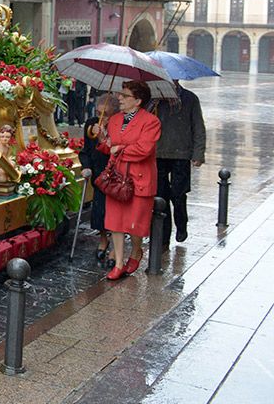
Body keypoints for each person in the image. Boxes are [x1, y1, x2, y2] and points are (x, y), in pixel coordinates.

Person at [99, 80, 162, 281]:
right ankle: (118, 263)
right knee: (115, 222)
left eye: (125, 96)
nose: (119, 98)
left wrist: (120, 149)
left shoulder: (151, 121)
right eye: (120, 94)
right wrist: (103, 140)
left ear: (138, 100)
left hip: (139, 179)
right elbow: (109, 147)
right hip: (117, 179)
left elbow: (144, 149)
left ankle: (136, 251)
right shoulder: (115, 120)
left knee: (135, 225)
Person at [150, 81, 206, 244]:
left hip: (181, 154)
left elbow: (198, 127)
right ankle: (163, 236)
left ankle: (181, 225)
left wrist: (198, 153)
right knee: (161, 197)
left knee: (178, 194)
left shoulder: (189, 99)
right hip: (158, 154)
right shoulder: (154, 100)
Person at [82, 93, 120, 263]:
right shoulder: (91, 124)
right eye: (99, 113)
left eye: (106, 113)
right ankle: (103, 238)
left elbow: (115, 150)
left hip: (114, 173)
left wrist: (102, 137)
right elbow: (85, 150)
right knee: (99, 209)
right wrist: (86, 166)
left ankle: (114, 245)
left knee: (114, 210)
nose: (102, 117)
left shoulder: (119, 124)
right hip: (98, 174)